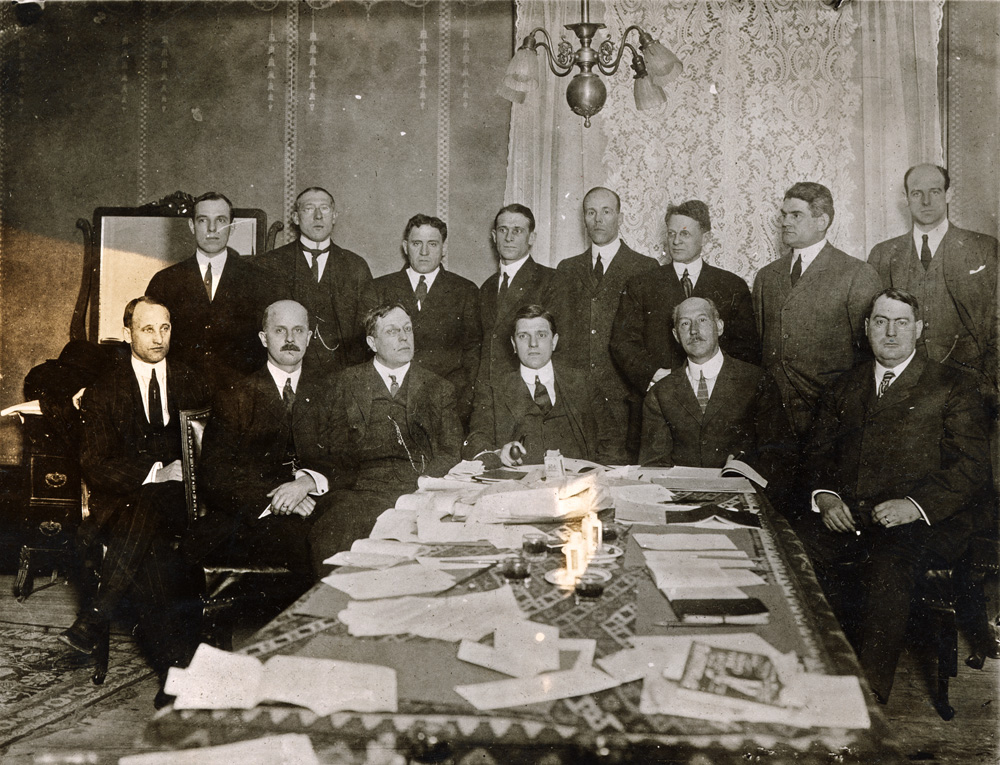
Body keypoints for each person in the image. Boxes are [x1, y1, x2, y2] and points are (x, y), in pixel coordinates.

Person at [797, 288, 991, 703]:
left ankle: (865, 704)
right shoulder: (845, 386)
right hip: (852, 516)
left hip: (926, 522)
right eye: (881, 321)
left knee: (888, 566)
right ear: (867, 329)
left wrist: (914, 507)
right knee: (792, 554)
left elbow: (972, 468)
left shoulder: (952, 386)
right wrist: (827, 498)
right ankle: (801, 685)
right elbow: (817, 454)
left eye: (901, 322)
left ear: (918, 329)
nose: (890, 332)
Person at [64, 297, 209, 696]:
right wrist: (156, 474)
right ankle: (175, 678)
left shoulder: (192, 380)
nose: (158, 338)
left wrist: (184, 473)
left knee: (152, 514)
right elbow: (95, 464)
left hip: (184, 502)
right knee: (154, 558)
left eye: (165, 328)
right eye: (147, 329)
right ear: (127, 332)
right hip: (126, 506)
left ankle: (96, 614)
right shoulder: (104, 390)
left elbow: (211, 445)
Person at [187, 300, 345, 583]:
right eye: (280, 331)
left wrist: (307, 483)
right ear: (263, 338)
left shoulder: (330, 392)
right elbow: (216, 477)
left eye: (298, 331)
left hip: (316, 506)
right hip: (254, 515)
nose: (290, 340)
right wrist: (281, 500)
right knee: (309, 546)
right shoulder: (235, 395)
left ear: (309, 337)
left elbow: (345, 458)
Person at [308, 303, 462, 574]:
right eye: (392, 331)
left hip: (416, 491)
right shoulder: (343, 385)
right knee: (335, 537)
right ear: (372, 342)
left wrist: (421, 486)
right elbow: (331, 449)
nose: (404, 337)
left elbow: (450, 452)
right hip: (357, 492)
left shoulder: (438, 388)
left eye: (407, 329)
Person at [752, 182, 882, 439]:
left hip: (830, 415)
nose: (785, 222)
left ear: (822, 221)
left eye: (796, 215)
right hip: (774, 417)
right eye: (784, 215)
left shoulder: (856, 274)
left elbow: (868, 355)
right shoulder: (766, 276)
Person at [639, 297, 794, 502]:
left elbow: (778, 453)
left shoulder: (757, 381)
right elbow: (654, 466)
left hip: (746, 500)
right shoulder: (661, 392)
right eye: (685, 323)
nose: (694, 330)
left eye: (702, 320)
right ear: (676, 335)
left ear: (719, 326)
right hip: (680, 504)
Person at [611, 200, 759, 412]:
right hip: (658, 399)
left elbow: (747, 348)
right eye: (671, 234)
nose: (676, 241)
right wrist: (653, 374)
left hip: (717, 402)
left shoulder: (731, 286)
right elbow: (623, 342)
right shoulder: (641, 284)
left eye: (685, 234)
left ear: (705, 238)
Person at [867, 164, 998, 396]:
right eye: (917, 193)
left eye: (935, 191)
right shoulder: (883, 253)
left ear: (949, 194)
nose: (926, 201)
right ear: (906, 197)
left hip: (970, 383)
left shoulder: (984, 248)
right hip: (903, 386)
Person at [550, 187, 658, 462]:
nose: (598, 219)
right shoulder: (567, 269)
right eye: (591, 212)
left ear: (619, 217)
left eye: (606, 212)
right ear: (584, 219)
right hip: (578, 400)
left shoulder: (645, 267)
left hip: (625, 399)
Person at [360, 214, 481, 425]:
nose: (424, 252)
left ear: (443, 249)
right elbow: (364, 352)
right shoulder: (379, 289)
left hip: (448, 405)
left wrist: (462, 403)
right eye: (417, 243)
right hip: (391, 403)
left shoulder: (465, 290)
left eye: (432, 244)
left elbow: (473, 353)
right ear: (405, 247)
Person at [464, 304, 613, 467]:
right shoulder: (492, 389)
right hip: (518, 488)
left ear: (554, 341)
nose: (533, 343)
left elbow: (612, 442)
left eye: (541, 335)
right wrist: (498, 454)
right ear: (514, 344)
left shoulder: (583, 383)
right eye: (523, 336)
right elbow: (476, 442)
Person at [146, 192, 266, 395]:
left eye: (220, 220)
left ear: (232, 226)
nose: (212, 229)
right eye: (203, 220)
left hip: (242, 397)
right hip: (180, 395)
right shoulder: (165, 281)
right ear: (192, 226)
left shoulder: (258, 280)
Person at [256, 187, 373, 376]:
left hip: (342, 376)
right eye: (309, 208)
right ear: (295, 217)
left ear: (334, 216)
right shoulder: (270, 263)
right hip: (288, 374)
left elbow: (367, 331)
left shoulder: (356, 266)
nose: (318, 216)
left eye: (324, 209)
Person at [478, 204, 555, 386]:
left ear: (531, 238)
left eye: (517, 231)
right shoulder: (486, 287)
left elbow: (560, 347)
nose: (509, 238)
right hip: (489, 391)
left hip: (528, 390)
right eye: (503, 230)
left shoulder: (551, 280)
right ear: (495, 236)